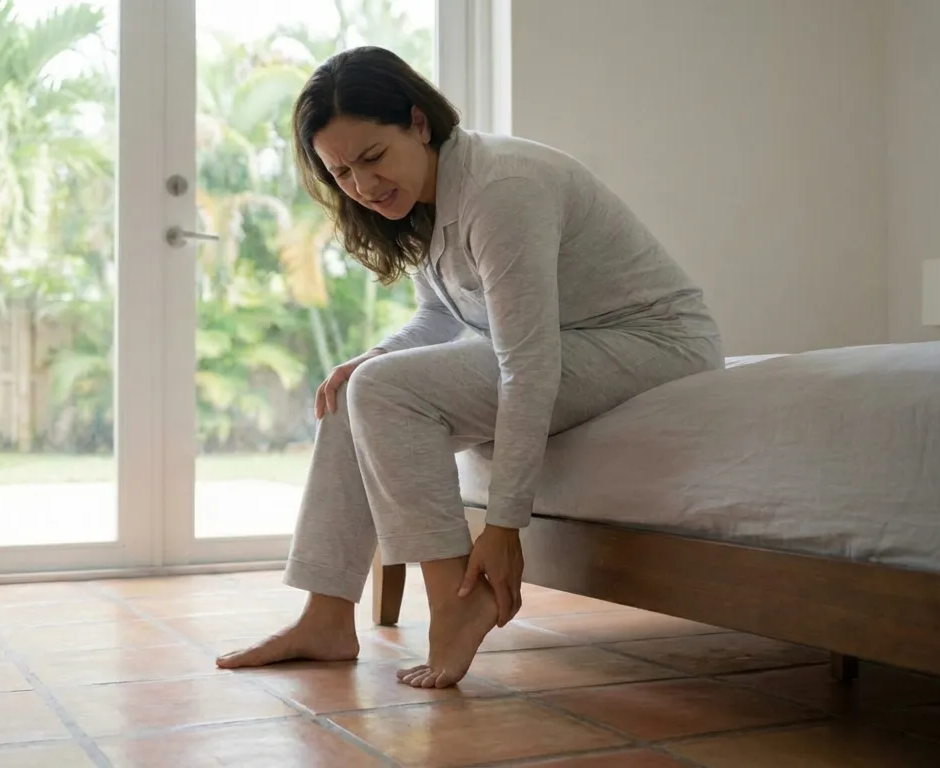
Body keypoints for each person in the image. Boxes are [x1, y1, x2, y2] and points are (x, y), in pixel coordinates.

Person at [216, 46, 723, 689]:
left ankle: (456, 605)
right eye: (341, 173)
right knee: (357, 388)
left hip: (652, 343)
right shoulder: (427, 194)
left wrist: (505, 524)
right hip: (572, 340)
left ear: (420, 123)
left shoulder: (501, 189)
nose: (364, 187)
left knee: (384, 389)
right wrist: (373, 357)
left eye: (373, 157)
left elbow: (528, 362)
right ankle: (324, 617)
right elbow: (441, 314)